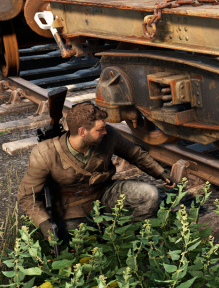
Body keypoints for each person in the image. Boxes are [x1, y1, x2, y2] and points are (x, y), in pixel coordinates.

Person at [18, 102, 174, 244]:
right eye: (100, 129)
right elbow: (27, 196)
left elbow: (134, 153)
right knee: (83, 241)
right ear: (82, 132)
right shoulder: (45, 153)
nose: (105, 132)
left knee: (149, 194)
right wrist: (44, 223)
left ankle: (137, 239)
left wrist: (160, 172)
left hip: (104, 194)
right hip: (70, 208)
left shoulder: (109, 136)